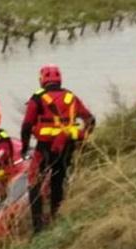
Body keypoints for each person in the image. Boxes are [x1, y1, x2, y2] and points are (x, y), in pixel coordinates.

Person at [20, 64, 95, 232]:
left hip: (44, 148)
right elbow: (90, 120)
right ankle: (56, 216)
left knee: (34, 183)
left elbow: (26, 126)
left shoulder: (37, 98)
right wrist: (82, 140)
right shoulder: (71, 97)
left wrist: (24, 148)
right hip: (67, 147)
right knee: (58, 180)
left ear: (42, 80)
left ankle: (38, 226)